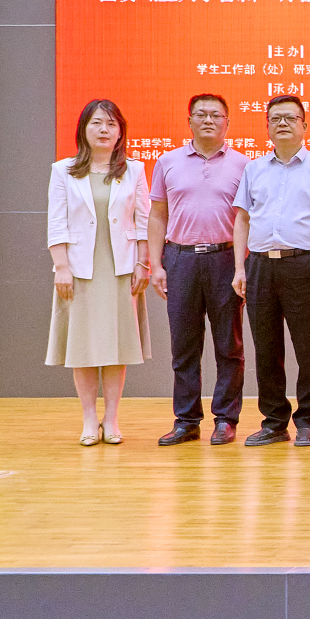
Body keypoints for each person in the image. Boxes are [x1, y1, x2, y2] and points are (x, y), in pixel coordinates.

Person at [232, 94, 310, 447]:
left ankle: (307, 420)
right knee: (266, 349)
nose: (282, 123)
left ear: (304, 125)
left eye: (290, 118)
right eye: (275, 118)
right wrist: (239, 268)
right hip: (260, 265)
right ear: (266, 126)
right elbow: (242, 219)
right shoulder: (254, 169)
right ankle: (274, 422)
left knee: (308, 347)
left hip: (303, 264)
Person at [48, 99, 151, 445]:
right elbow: (57, 223)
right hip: (79, 270)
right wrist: (61, 267)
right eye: (96, 123)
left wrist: (143, 263)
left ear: (120, 131)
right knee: (84, 346)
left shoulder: (134, 170)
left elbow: (143, 222)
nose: (104, 130)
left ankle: (112, 418)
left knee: (116, 346)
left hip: (121, 268)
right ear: (83, 129)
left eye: (111, 124)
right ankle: (89, 418)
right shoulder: (63, 170)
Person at [148, 93, 248, 446]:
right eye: (201, 114)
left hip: (225, 259)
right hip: (180, 259)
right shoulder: (168, 161)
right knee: (184, 346)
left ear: (227, 123)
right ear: (189, 120)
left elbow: (248, 219)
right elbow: (157, 215)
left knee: (229, 346)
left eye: (216, 115)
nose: (208, 120)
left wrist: (242, 266)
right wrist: (156, 264)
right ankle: (187, 420)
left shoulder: (244, 165)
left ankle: (225, 419)